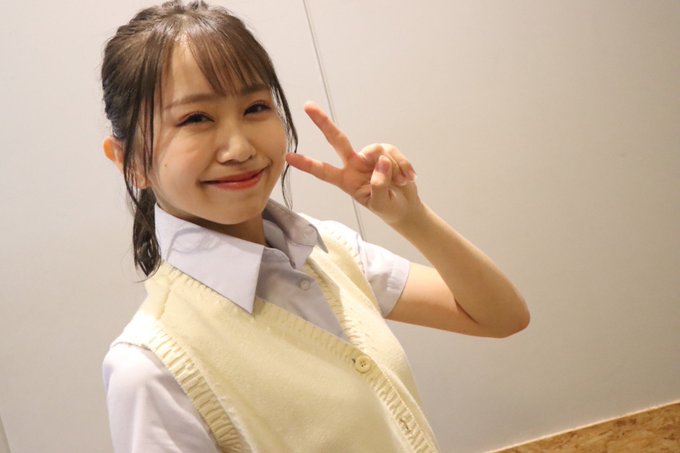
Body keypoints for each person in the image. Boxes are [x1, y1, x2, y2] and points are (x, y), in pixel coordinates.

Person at [100, 1, 529, 452]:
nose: (239, 147)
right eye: (196, 118)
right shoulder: (149, 367)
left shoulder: (329, 251)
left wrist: (411, 218)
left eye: (255, 107)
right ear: (130, 161)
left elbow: (501, 317)